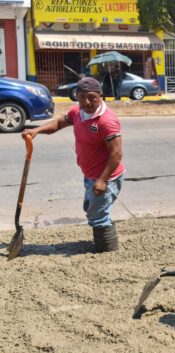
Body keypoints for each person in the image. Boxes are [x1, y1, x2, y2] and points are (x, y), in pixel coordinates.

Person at [22, 77, 125, 253]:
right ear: (76, 96)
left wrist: (102, 180)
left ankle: (108, 252)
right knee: (93, 210)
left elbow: (116, 154)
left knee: (98, 215)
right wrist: (36, 130)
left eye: (92, 97)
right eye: (82, 97)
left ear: (101, 96)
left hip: (106, 177)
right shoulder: (77, 111)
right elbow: (58, 123)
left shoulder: (106, 121)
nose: (87, 102)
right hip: (91, 174)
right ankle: (104, 245)